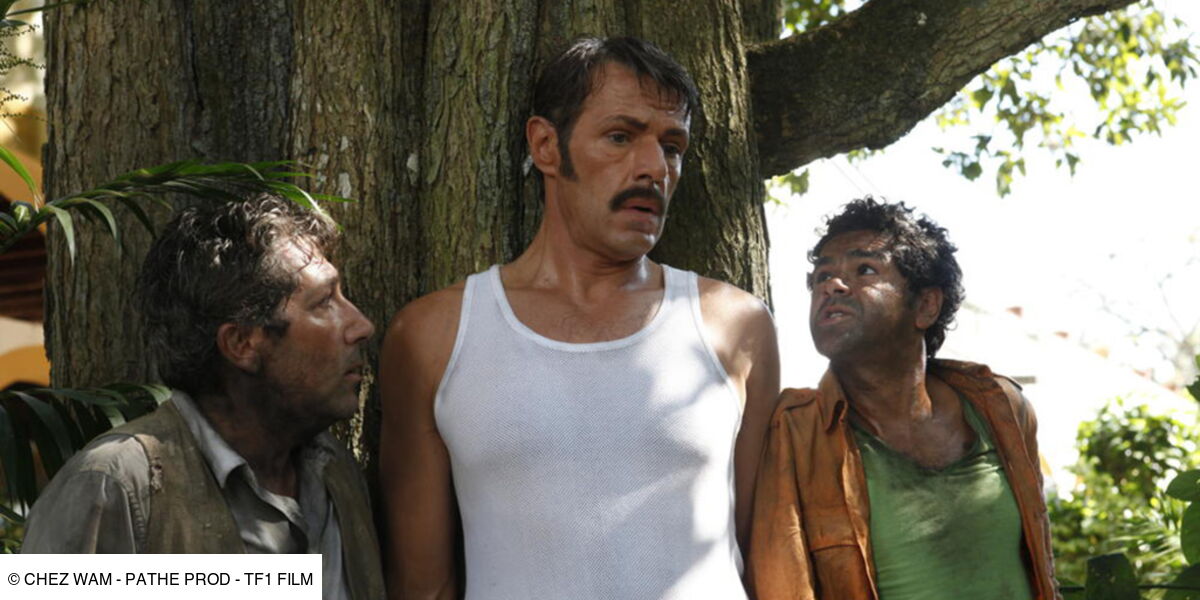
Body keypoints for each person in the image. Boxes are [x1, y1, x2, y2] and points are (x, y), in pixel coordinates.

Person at [380, 36, 780, 599]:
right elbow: (423, 588)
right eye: (620, 137)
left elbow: (767, 560)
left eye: (672, 147)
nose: (654, 168)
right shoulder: (435, 336)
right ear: (546, 145)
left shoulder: (735, 327)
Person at [22, 195, 385, 600]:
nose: (361, 325)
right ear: (242, 343)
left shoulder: (333, 471)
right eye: (324, 303)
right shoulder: (114, 485)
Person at [747, 197, 1058, 600]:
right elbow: (784, 585)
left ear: (926, 305)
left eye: (864, 269)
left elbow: (1040, 564)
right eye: (822, 274)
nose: (831, 285)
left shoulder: (1000, 407)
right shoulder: (795, 433)